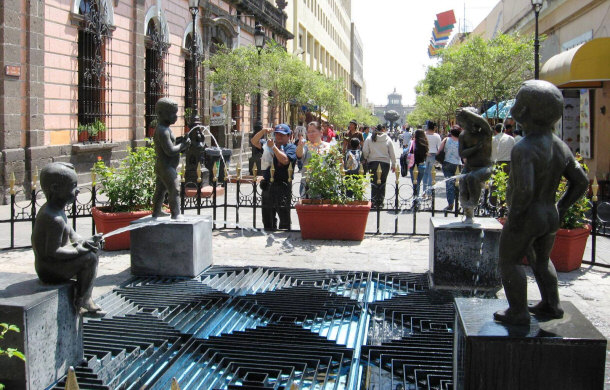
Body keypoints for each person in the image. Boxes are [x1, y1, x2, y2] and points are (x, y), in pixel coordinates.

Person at [494, 80, 589, 325]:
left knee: (510, 260)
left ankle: (518, 311)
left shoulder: (524, 148)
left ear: (523, 111)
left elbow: (525, 189)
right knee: (542, 260)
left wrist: (514, 219)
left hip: (527, 216)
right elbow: (581, 182)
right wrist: (562, 206)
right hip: (550, 215)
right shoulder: (561, 146)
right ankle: (551, 304)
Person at [32, 162, 105, 317]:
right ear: (55, 188)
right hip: (49, 270)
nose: (77, 190)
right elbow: (53, 252)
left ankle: (84, 295)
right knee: (90, 259)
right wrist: (79, 250)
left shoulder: (58, 210)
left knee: (93, 251)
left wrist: (88, 241)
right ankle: (84, 300)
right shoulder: (53, 218)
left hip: (54, 264)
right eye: (73, 185)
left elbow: (73, 235)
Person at [251, 123, 297, 230]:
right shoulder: (268, 145)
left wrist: (274, 148)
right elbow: (254, 141)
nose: (279, 137)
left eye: (282, 135)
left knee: (284, 218)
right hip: (268, 184)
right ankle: (269, 230)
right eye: (277, 134)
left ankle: (284, 234)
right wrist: (263, 132)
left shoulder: (291, 147)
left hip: (283, 185)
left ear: (288, 136)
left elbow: (285, 160)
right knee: (267, 217)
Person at [152, 98, 191, 219]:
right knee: (175, 189)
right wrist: (183, 145)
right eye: (172, 113)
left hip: (164, 166)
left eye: (176, 113)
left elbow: (172, 144)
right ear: (161, 114)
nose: (175, 116)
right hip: (166, 166)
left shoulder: (165, 129)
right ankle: (176, 214)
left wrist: (181, 141)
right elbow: (170, 151)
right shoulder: (163, 131)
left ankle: (156, 211)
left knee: (160, 190)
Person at [457, 107, 493, 223]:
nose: (465, 126)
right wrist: (475, 148)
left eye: (467, 122)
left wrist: (467, 112)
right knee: (463, 183)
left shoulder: (485, 133)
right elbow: (462, 153)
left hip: (484, 168)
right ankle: (468, 213)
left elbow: (483, 122)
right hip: (469, 167)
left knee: (473, 177)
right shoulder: (463, 135)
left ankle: (472, 204)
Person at [363, 124, 396, 207]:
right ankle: (380, 202)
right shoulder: (387, 139)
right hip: (385, 163)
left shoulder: (370, 138)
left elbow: (365, 151)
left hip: (373, 162)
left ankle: (373, 201)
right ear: (383, 130)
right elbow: (392, 152)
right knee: (382, 182)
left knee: (374, 183)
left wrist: (366, 157)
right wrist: (394, 164)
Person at [296, 121, 330, 197]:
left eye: (313, 131)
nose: (310, 134)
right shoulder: (306, 146)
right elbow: (299, 155)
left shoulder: (329, 146)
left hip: (325, 185)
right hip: (308, 186)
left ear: (321, 132)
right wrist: (300, 146)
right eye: (308, 132)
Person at [437, 125, 462, 211]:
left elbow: (439, 151)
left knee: (449, 184)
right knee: (457, 184)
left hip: (447, 163)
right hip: (458, 164)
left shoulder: (446, 140)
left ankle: (450, 204)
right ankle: (457, 203)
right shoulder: (462, 142)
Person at [408, 129, 429, 204]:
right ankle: (417, 201)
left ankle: (416, 201)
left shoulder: (413, 142)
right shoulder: (425, 143)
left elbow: (410, 152)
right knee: (418, 183)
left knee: (415, 184)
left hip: (414, 165)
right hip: (422, 165)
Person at [423, 121, 442, 194]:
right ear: (434, 127)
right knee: (431, 173)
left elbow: (422, 145)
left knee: (425, 173)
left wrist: (426, 152)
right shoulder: (437, 136)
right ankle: (429, 192)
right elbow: (439, 147)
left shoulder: (424, 135)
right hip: (433, 155)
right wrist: (437, 154)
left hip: (425, 155)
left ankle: (424, 192)